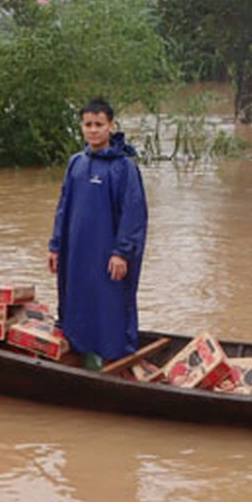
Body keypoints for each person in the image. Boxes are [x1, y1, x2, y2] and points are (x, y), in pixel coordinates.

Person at [48, 98, 148, 370]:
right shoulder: (76, 163)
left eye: (99, 125)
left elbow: (134, 214)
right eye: (88, 124)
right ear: (81, 127)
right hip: (76, 253)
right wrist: (55, 246)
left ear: (111, 126)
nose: (93, 130)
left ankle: (115, 361)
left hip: (108, 256)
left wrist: (122, 253)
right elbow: (63, 207)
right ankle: (80, 356)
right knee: (76, 300)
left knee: (111, 306)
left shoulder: (124, 167)